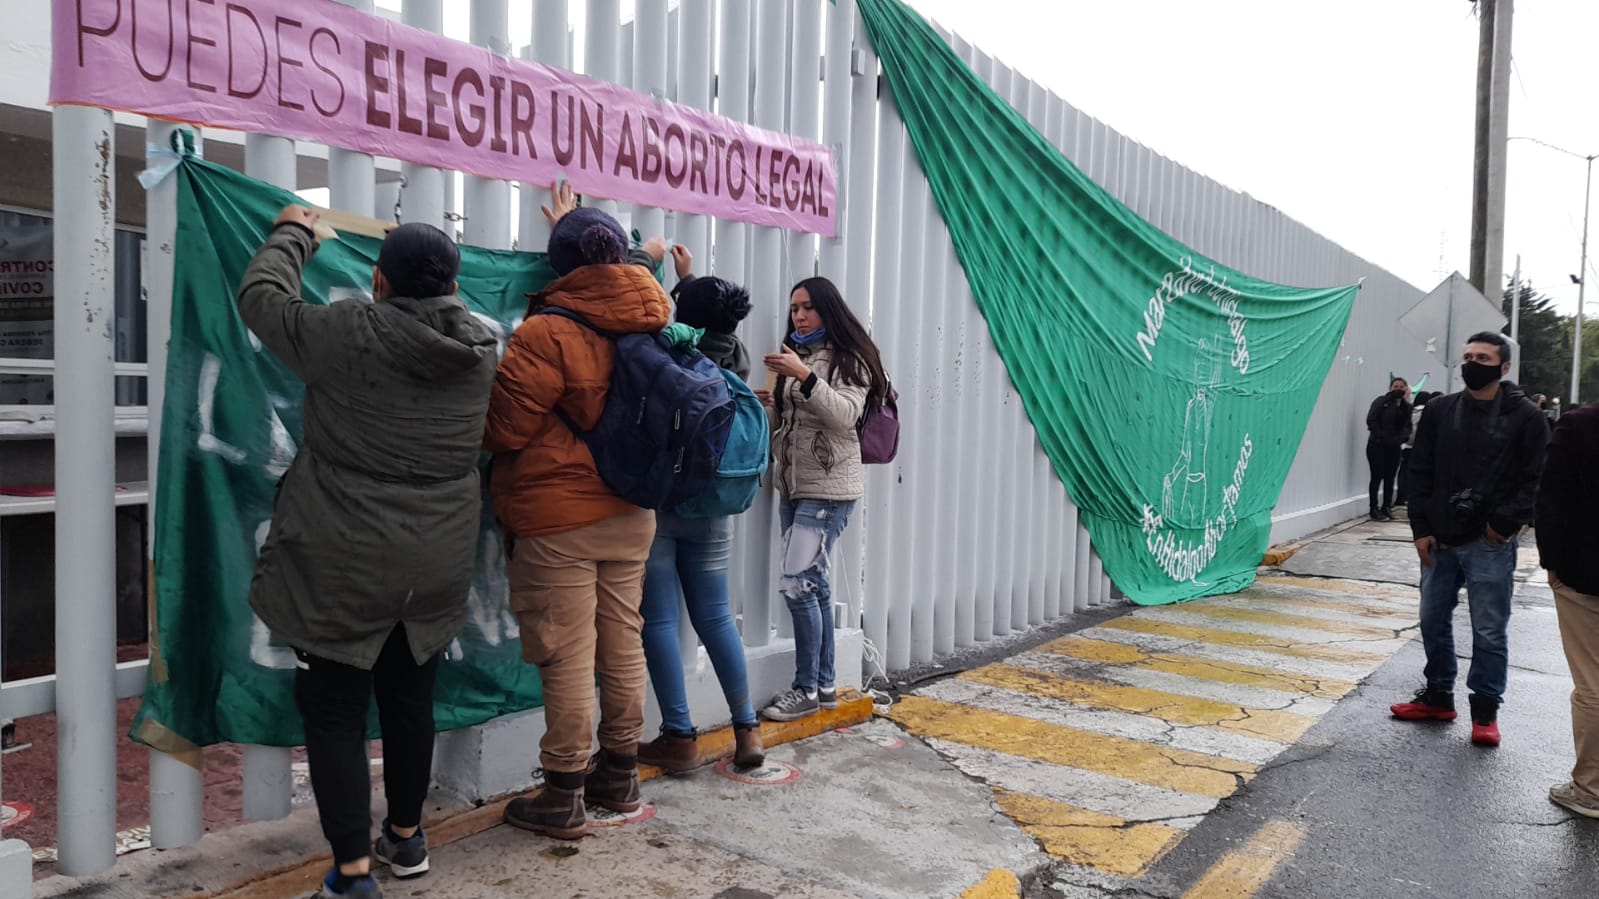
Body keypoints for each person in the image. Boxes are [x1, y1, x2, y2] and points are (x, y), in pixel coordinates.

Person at [240, 208, 498, 898]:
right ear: (452, 285)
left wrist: (295, 230)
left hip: (344, 557)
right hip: (435, 563)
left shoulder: (347, 331)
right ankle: (407, 839)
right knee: (410, 699)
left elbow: (262, 300)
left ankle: (353, 873)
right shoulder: (479, 351)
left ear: (378, 282)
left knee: (333, 711)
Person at [485, 191, 671, 839]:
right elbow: (624, 263)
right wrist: (576, 227)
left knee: (566, 652)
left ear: (560, 267)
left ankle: (562, 791)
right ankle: (619, 773)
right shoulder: (654, 316)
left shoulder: (548, 331)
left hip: (558, 513)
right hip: (633, 508)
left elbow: (504, 430)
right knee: (622, 640)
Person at [636, 245, 765, 772]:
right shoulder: (734, 357)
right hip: (714, 507)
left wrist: (649, 264)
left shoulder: (667, 352)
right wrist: (692, 284)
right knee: (715, 617)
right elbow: (713, 321)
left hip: (665, 504)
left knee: (659, 622)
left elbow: (647, 315)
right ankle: (747, 730)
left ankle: (680, 737)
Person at [1392, 332, 1547, 747]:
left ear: (1504, 367)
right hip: (1438, 538)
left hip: (1489, 542)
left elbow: (1534, 479)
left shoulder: (1526, 418)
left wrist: (1504, 523)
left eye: (1483, 357)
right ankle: (1439, 695)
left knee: (1490, 629)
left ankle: (1485, 711)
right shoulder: (1442, 411)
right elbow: (1419, 471)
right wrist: (1420, 528)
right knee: (1431, 619)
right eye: (1468, 356)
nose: (1472, 363)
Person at [754, 277, 889, 722]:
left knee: (797, 582)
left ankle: (805, 688)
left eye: (808, 307)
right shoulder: (792, 355)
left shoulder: (850, 359)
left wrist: (804, 376)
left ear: (827, 310)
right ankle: (825, 685)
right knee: (814, 584)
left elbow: (845, 416)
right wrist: (766, 404)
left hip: (829, 490)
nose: (799, 316)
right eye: (794, 308)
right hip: (794, 485)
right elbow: (782, 422)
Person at [1535, 401, 1599, 817]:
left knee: (1592, 683)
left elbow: (1551, 501)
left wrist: (1552, 563)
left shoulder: (1580, 426)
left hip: (1584, 574)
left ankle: (1591, 789)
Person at [1365, 377, 1412, 520]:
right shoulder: (1381, 402)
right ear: (1390, 388)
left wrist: (1400, 439)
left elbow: (1407, 427)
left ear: (1405, 389)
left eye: (1400, 387)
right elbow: (1371, 419)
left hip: (1394, 447)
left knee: (1390, 478)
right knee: (1376, 476)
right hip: (1377, 445)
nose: (1397, 389)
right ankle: (1374, 508)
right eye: (1395, 386)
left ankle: (1387, 507)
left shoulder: (1406, 407)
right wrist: (1381, 436)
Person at [1396, 390, 1434, 509]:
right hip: (1418, 447)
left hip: (1406, 446)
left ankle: (1400, 496)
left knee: (1403, 471)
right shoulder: (1427, 412)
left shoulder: (1410, 411)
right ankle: (1409, 496)